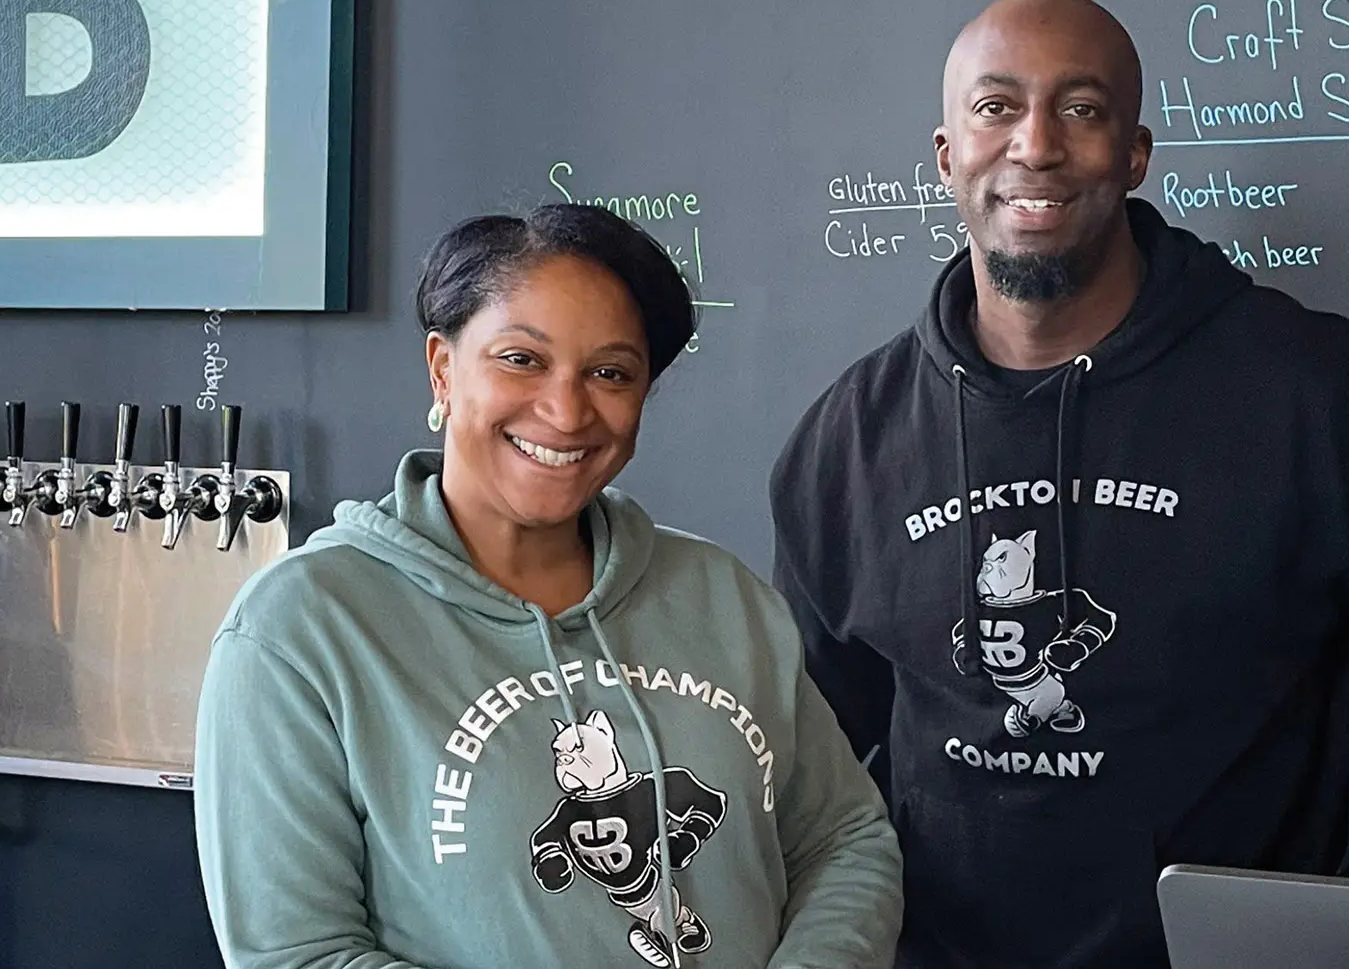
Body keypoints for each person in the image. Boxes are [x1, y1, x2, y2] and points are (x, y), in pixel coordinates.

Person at [769, 0, 1349, 967]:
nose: (1035, 145)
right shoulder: (846, 443)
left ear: (1134, 154)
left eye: (1080, 108)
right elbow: (810, 750)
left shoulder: (1312, 396)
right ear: (946, 157)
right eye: (994, 108)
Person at [195, 204, 902, 969]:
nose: (566, 411)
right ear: (442, 368)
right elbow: (299, 954)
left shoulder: (723, 597)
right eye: (521, 359)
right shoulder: (301, 629)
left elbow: (844, 839)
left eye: (610, 372)